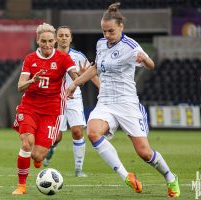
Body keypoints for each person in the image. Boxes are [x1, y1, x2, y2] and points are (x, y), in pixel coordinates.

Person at [66, 2, 180, 198]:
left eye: (111, 31)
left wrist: (145, 60)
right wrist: (75, 83)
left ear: (121, 27)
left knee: (144, 153)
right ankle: (126, 176)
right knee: (93, 133)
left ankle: (170, 177)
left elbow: (151, 64)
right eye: (104, 31)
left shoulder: (131, 46)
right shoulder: (101, 43)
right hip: (105, 102)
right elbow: (95, 68)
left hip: (127, 104)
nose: (107, 35)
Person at [11, 22, 79, 195]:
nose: (47, 45)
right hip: (29, 107)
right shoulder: (30, 59)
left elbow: (75, 77)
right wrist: (31, 81)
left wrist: (82, 76)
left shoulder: (63, 58)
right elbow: (20, 87)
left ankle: (39, 159)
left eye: (50, 41)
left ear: (55, 41)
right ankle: (21, 186)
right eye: (43, 41)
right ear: (37, 40)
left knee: (38, 155)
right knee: (27, 143)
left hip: (52, 110)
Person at [43, 26, 100, 177]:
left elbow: (91, 73)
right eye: (60, 35)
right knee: (56, 137)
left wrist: (101, 87)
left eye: (66, 35)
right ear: (56, 38)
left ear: (70, 38)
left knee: (77, 131)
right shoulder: (48, 56)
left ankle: (78, 169)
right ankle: (52, 149)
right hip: (55, 99)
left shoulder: (78, 56)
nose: (63, 38)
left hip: (74, 98)